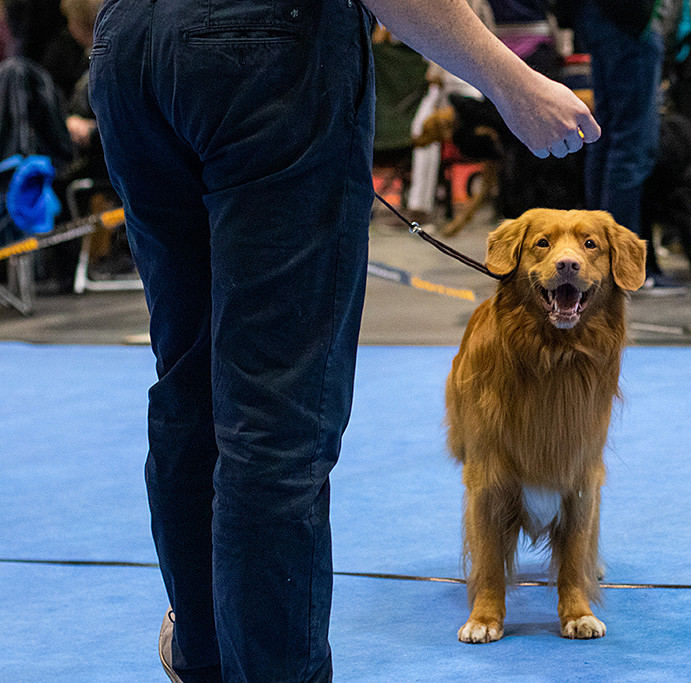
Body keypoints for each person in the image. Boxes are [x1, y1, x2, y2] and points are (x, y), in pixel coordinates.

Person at [88, 0, 598, 681]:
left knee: (188, 382)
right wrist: (510, 79)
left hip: (129, 44)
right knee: (273, 418)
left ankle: (201, 653)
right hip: (266, 46)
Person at [563, 0, 685, 291]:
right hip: (629, 22)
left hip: (598, 17)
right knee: (631, 145)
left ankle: (598, 261)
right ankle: (622, 270)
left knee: (604, 138)